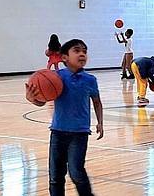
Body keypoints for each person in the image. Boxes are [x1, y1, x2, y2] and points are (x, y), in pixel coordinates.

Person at [26, 38, 104, 196]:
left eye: (84, 51)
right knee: (55, 177)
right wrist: (32, 98)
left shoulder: (90, 80)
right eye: (77, 50)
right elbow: (42, 102)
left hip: (80, 133)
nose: (82, 54)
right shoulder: (55, 77)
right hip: (58, 132)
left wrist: (100, 123)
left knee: (76, 172)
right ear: (64, 58)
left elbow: (97, 102)